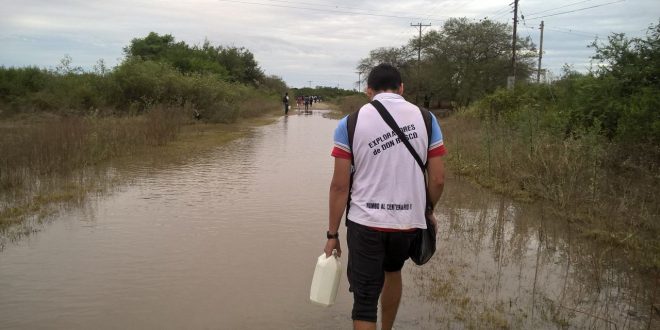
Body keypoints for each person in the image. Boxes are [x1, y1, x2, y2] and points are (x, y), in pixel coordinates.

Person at [324, 63, 446, 330]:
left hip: (364, 222)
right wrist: (427, 210)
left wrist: (332, 235)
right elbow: (437, 179)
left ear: (368, 90)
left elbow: (339, 186)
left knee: (365, 299)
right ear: (401, 88)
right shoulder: (427, 119)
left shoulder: (350, 123)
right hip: (407, 223)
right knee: (393, 272)